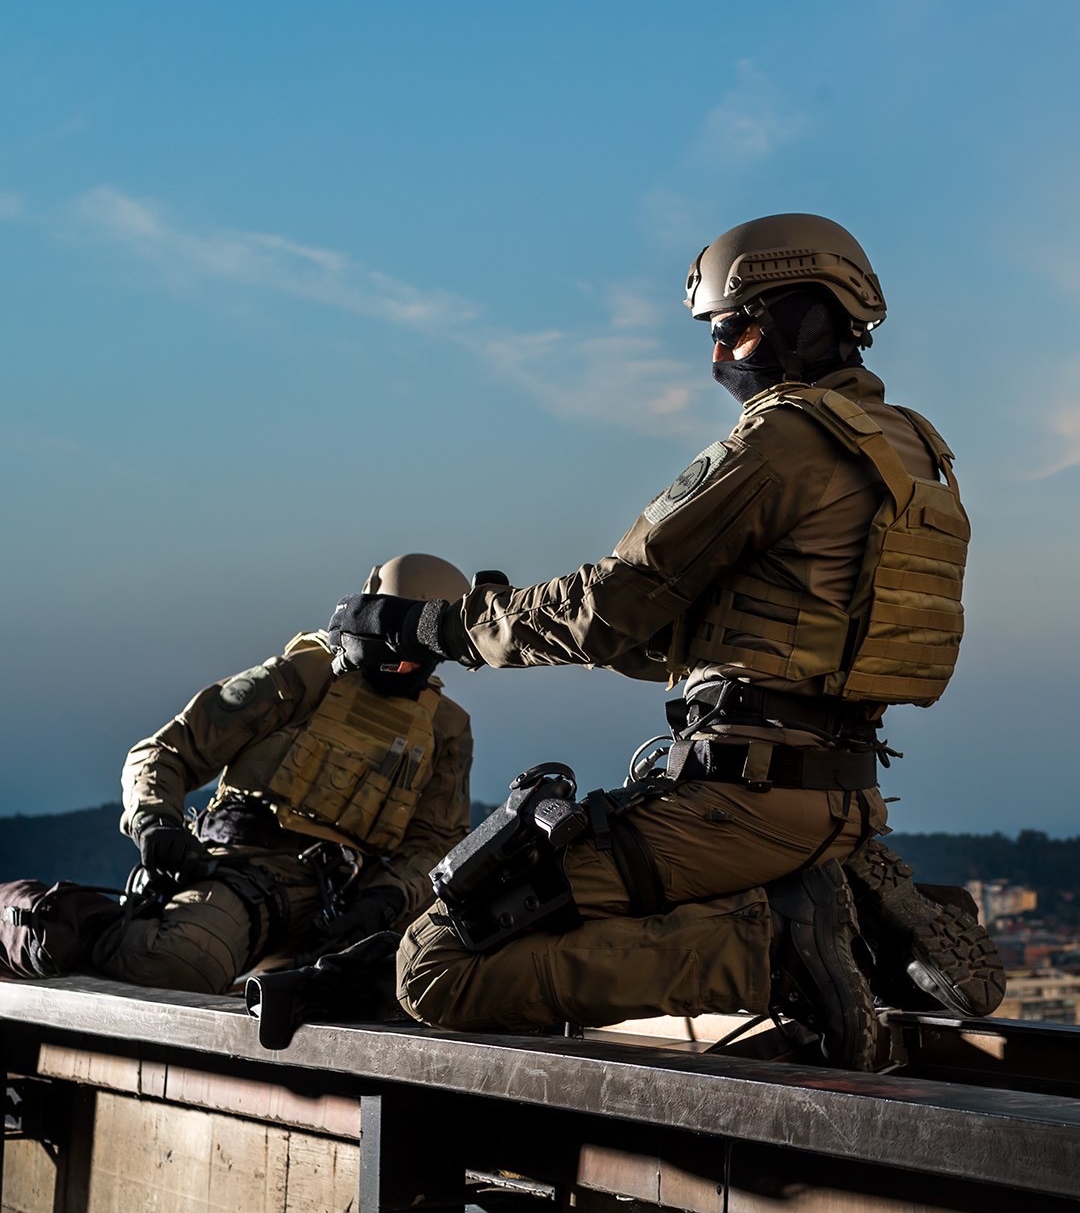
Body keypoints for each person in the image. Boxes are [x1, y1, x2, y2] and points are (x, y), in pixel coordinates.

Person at [327, 216, 1003, 1070]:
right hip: (838, 792)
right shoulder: (913, 451)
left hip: (739, 797)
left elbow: (611, 604)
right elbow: (675, 634)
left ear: (808, 316)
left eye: (739, 325)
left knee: (434, 966)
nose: (723, 352)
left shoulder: (783, 441)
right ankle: (830, 894)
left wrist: (433, 625)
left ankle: (775, 951)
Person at [92, 554, 474, 997]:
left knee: (421, 989)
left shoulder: (445, 726)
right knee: (178, 965)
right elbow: (167, 751)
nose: (404, 663)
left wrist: (386, 899)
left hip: (347, 904)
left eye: (421, 652)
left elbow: (437, 841)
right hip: (244, 871)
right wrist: (155, 822)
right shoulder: (302, 676)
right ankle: (83, 933)